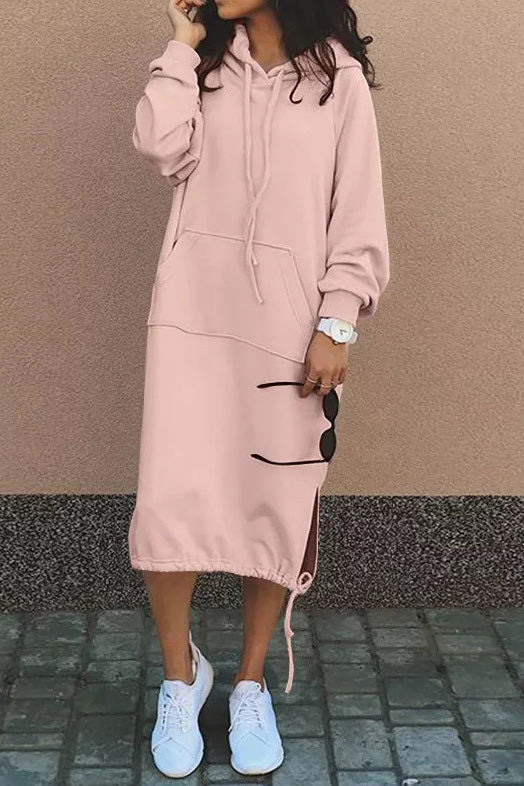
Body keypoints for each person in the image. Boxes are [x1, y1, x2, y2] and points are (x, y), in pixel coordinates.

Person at [128, 0, 390, 778]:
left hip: (288, 331)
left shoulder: (339, 80)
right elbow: (158, 146)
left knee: (271, 504)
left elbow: (359, 214)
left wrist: (337, 322)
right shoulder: (203, 63)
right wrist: (181, 47)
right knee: (171, 499)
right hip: (192, 320)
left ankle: (248, 683)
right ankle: (180, 679)